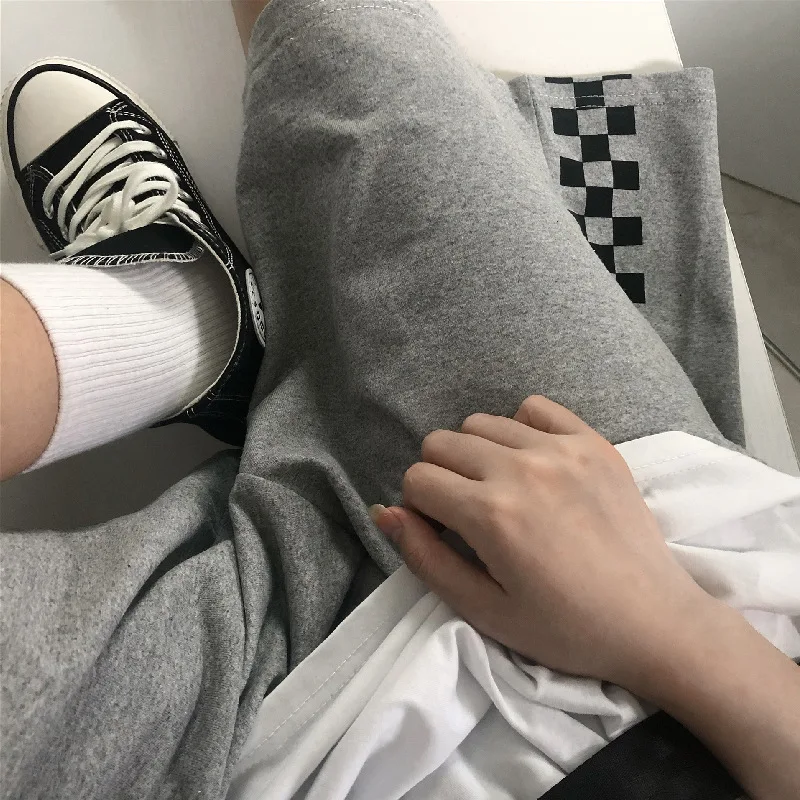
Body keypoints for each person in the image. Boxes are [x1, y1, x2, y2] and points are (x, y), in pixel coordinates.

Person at [0, 0, 798, 798]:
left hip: (258, 758)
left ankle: (193, 319)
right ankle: (200, 313)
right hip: (626, 572)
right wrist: (673, 630)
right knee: (335, 30)